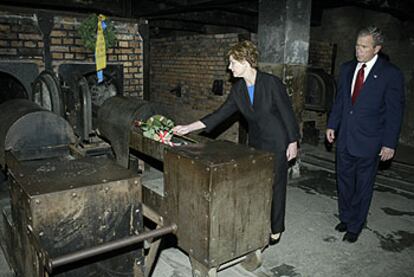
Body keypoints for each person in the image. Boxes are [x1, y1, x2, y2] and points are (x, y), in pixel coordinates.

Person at [173, 40, 300, 243]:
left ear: (245, 61)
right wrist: (189, 127)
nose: (229, 68)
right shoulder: (239, 90)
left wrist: (293, 142)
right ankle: (258, 220)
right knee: (257, 183)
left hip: (278, 141)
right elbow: (219, 115)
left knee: (276, 185)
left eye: (232, 63)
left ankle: (276, 227)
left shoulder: (271, 83)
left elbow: (287, 113)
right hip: (256, 142)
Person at [326, 26, 405, 243]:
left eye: (364, 47)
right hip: (345, 138)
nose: (358, 51)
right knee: (344, 182)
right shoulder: (347, 68)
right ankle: (346, 216)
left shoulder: (390, 74)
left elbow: (394, 112)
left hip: (370, 141)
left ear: (377, 48)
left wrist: (389, 144)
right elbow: (340, 100)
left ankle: (356, 225)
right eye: (356, 45)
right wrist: (332, 124)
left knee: (362, 185)